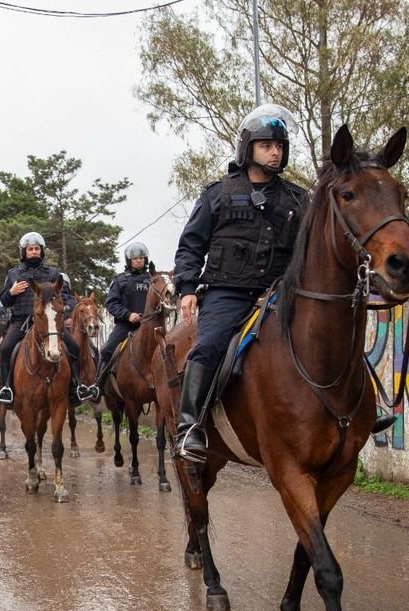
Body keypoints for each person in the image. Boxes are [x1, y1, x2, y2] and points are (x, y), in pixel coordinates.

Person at [172, 104, 307, 464]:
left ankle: (360, 411)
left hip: (280, 293)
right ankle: (189, 428)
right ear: (248, 148)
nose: (275, 152)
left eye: (279, 146)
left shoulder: (297, 198)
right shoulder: (218, 193)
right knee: (209, 345)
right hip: (228, 291)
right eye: (266, 145)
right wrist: (186, 288)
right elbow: (191, 246)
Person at [0, 232, 83, 405]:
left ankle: (75, 387)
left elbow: (65, 296)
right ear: (24, 252)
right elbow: (4, 301)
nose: (34, 252)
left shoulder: (52, 273)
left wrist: (65, 312)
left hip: (49, 322)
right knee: (5, 349)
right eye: (30, 249)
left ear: (41, 251)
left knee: (73, 347)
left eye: (36, 249)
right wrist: (11, 293)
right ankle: (7, 389)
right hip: (21, 321)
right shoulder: (14, 274)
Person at [94, 242, 154, 396]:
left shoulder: (153, 279)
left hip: (149, 326)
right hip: (126, 326)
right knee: (107, 350)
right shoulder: (120, 280)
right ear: (129, 260)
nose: (139, 260)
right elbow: (112, 303)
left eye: (141, 258)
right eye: (135, 258)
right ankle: (97, 387)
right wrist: (128, 315)